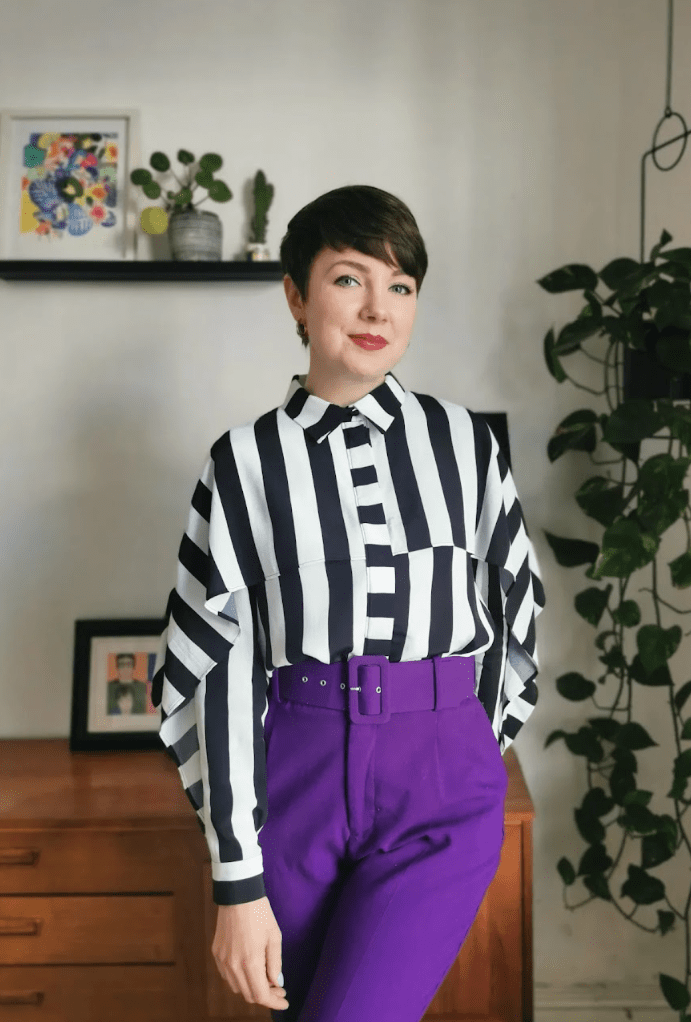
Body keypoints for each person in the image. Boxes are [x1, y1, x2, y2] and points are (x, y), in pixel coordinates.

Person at [151, 184, 545, 1021]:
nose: (378, 309)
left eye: (400, 285)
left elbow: (515, 609)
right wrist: (237, 877)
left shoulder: (465, 444)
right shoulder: (244, 462)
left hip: (439, 776)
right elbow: (215, 668)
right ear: (296, 296)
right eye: (348, 279)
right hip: (296, 776)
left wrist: (463, 745)